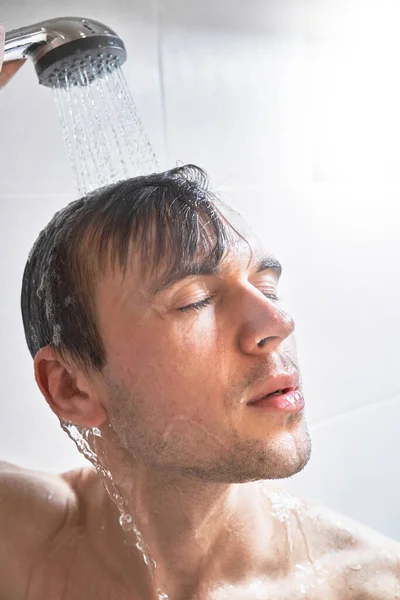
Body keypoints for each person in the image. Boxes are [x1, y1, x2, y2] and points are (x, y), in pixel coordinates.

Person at [1, 25, 400, 600]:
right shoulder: (24, 545)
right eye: (196, 300)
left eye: (268, 286)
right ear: (72, 387)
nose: (277, 325)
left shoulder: (367, 586)